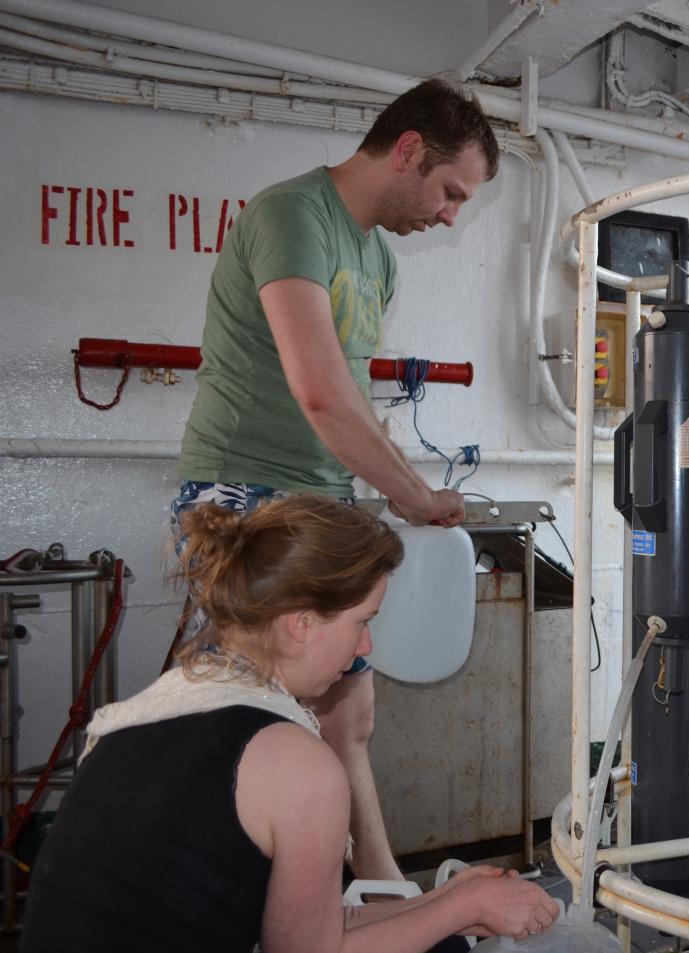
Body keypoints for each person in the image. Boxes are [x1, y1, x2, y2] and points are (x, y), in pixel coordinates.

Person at [172, 77, 497, 881]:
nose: (451, 215)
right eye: (452, 192)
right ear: (410, 150)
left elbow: (351, 398)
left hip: (320, 499)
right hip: (244, 495)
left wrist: (400, 485)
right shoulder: (292, 215)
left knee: (349, 712)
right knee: (246, 716)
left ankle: (380, 888)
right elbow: (317, 389)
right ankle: (227, 900)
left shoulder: (377, 260)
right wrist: (414, 497)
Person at [22, 497, 560, 953]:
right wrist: (462, 906)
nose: (366, 647)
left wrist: (447, 903)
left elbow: (310, 933)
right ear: (301, 624)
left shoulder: (157, 708)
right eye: (363, 622)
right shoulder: (298, 764)